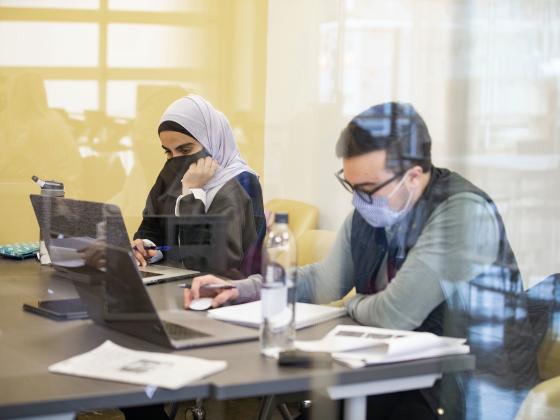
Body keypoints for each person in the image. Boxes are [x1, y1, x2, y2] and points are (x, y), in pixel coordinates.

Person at [184, 102, 540, 419]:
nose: (359, 201)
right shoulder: (372, 212)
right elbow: (324, 282)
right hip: (391, 371)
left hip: (466, 384)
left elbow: (394, 315)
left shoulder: (462, 213)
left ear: (413, 177)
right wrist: (244, 288)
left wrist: (352, 302)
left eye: (368, 189)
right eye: (351, 186)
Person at [132, 94, 265, 278]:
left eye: (185, 150)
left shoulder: (242, 182)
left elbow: (215, 264)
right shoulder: (172, 174)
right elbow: (152, 226)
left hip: (226, 293)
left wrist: (192, 194)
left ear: (212, 141)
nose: (176, 160)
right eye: (168, 152)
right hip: (175, 284)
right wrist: (147, 247)